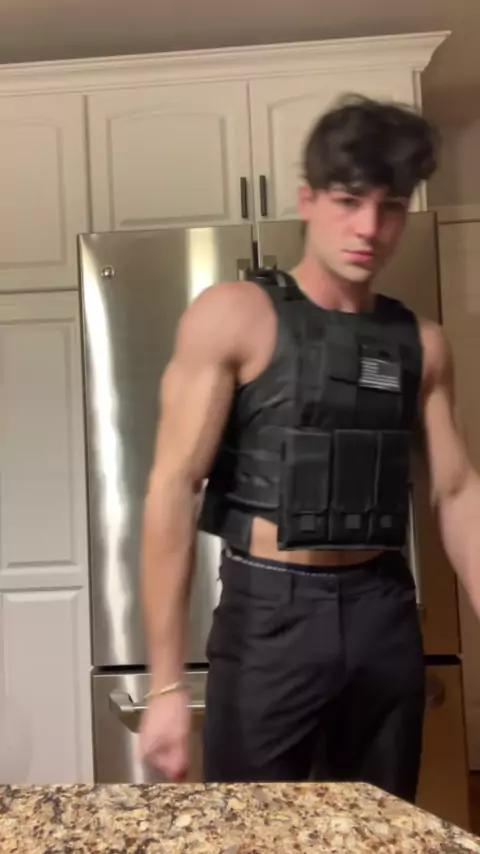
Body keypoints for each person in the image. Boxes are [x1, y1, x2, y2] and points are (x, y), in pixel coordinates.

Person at [138, 94, 480, 802]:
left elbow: (457, 491)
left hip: (383, 607)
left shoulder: (421, 343)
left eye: (390, 208)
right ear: (308, 200)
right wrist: (166, 684)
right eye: (349, 202)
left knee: (381, 831)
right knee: (256, 831)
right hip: (271, 614)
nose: (369, 228)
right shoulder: (234, 316)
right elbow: (172, 488)